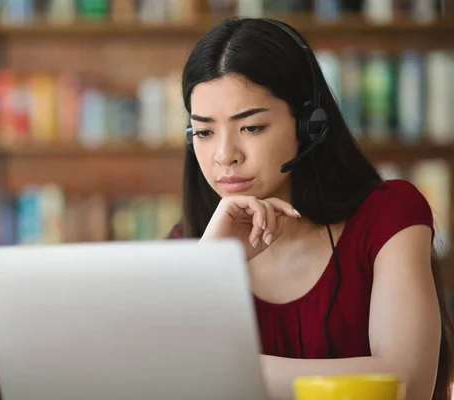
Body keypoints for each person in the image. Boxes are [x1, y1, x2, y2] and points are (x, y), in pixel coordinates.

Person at [167, 17, 454, 400]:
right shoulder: (189, 243)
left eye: (251, 127)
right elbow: (162, 376)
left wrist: (223, 370)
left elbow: (405, 384)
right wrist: (210, 264)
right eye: (204, 132)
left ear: (309, 125)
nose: (224, 156)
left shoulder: (389, 215)